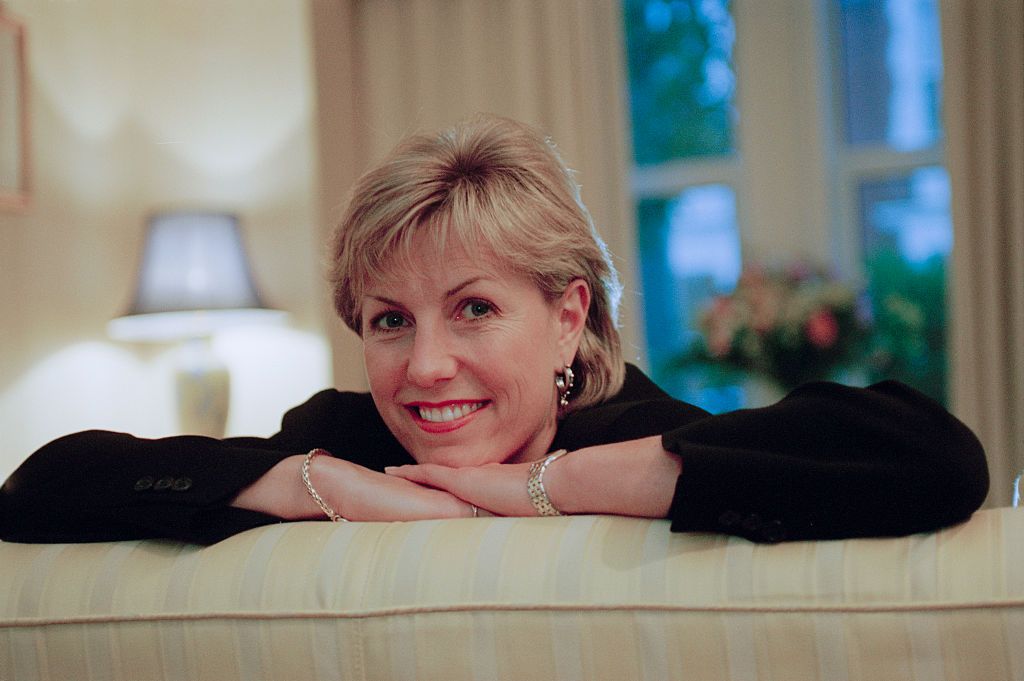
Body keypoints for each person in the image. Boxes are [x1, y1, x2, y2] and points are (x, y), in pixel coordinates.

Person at [0, 115, 988, 545]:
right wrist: (314, 481)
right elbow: (41, 485)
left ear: (567, 317)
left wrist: (534, 487)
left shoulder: (637, 428)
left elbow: (933, 459)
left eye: (474, 307)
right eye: (390, 320)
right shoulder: (342, 438)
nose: (425, 367)